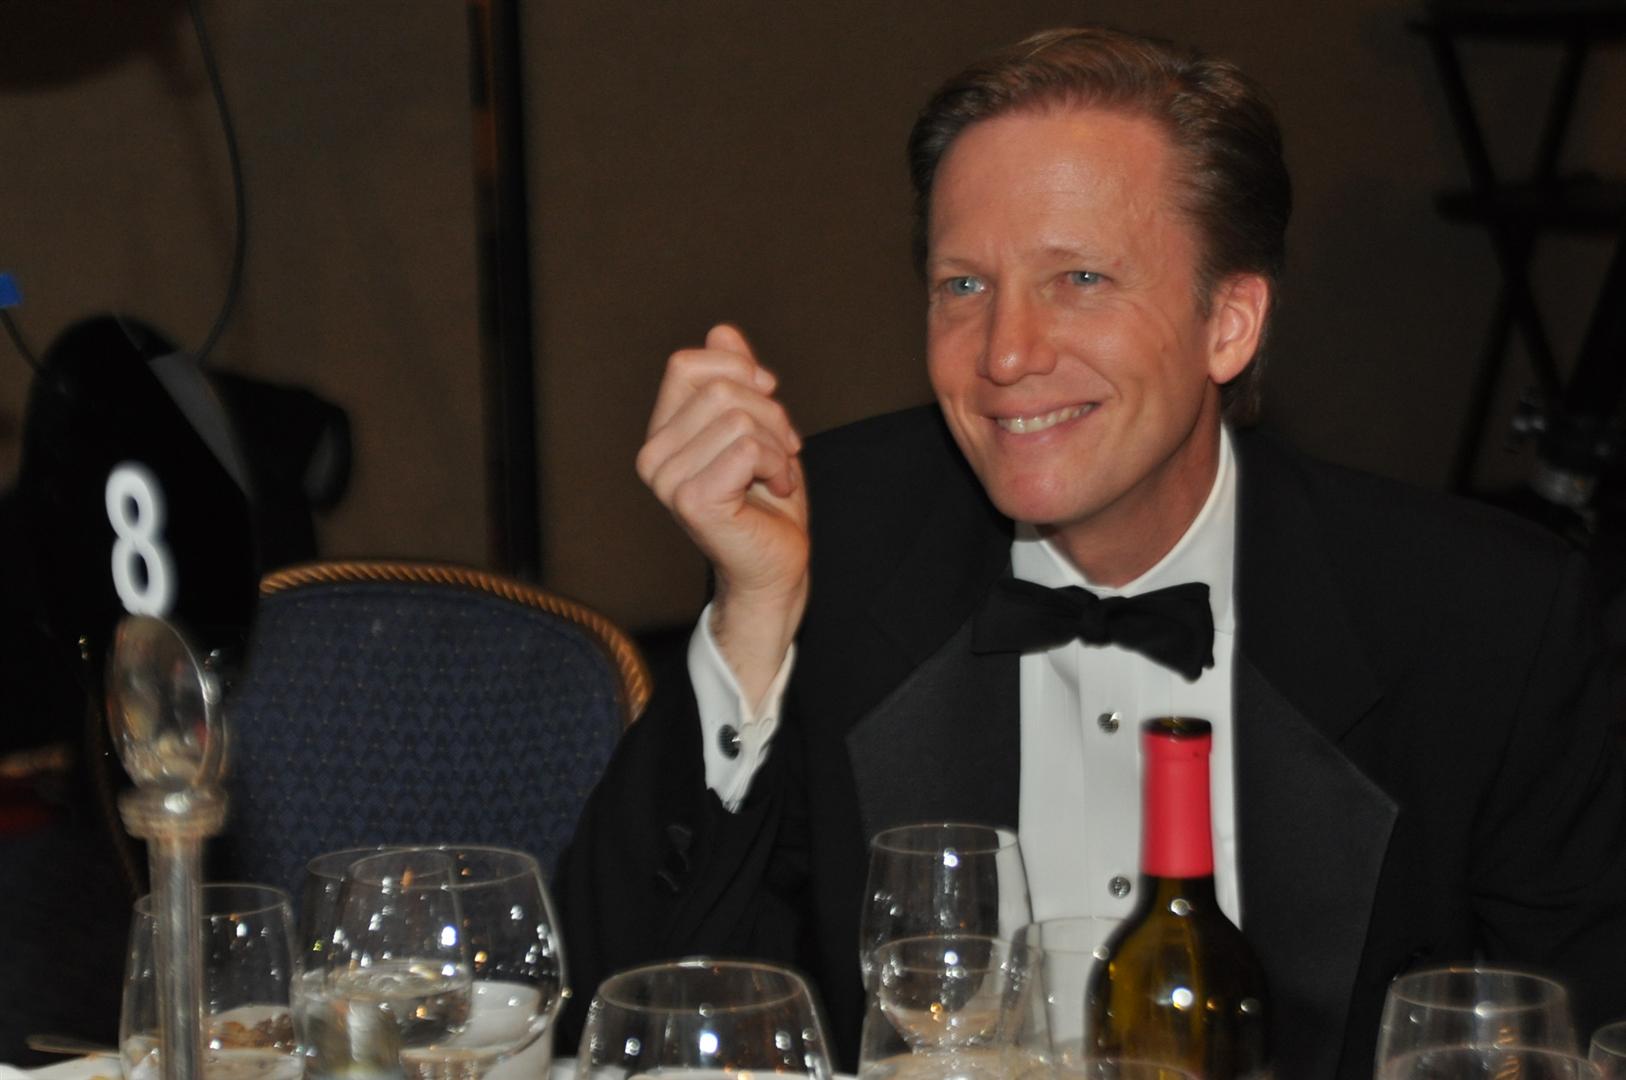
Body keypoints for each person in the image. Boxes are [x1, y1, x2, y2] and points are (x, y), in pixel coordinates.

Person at [556, 26, 1626, 1079]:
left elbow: (1583, 1034)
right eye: (963, 285)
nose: (1006, 353)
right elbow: (619, 1014)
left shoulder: (1486, 618)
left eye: (1079, 278)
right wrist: (752, 618)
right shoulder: (830, 543)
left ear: (1229, 323)